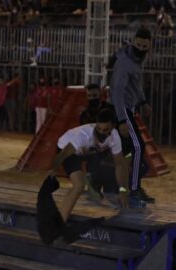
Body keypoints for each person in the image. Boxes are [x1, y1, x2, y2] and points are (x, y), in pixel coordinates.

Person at [48, 109, 130, 222]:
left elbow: (120, 165)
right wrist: (53, 169)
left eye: (105, 130)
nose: (101, 132)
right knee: (79, 184)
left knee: (119, 160)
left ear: (113, 127)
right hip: (69, 151)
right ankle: (60, 222)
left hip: (91, 152)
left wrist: (123, 190)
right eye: (99, 129)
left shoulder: (114, 137)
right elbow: (63, 155)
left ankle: (92, 179)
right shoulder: (82, 136)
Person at [110, 27, 155, 207]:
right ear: (133, 41)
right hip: (122, 109)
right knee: (137, 147)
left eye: (145, 46)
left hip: (130, 108)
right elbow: (118, 93)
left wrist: (142, 101)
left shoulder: (137, 60)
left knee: (134, 150)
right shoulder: (125, 62)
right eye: (139, 45)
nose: (141, 49)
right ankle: (134, 189)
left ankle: (130, 187)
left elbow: (136, 84)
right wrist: (121, 119)